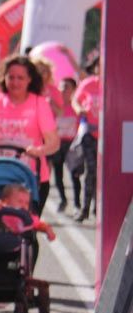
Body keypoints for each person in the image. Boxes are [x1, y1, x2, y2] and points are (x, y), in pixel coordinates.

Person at [0, 54, 59, 217]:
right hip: (0, 174)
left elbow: (53, 142)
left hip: (31, 177)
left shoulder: (39, 103)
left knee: (26, 225)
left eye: (20, 78)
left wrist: (39, 150)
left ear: (29, 79)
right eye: (11, 77)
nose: (15, 82)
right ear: (4, 78)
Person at [72, 54, 101, 222]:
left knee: (104, 174)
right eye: (99, 64)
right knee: (91, 171)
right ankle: (85, 209)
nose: (101, 67)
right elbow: (76, 99)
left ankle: (100, 208)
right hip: (90, 134)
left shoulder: (113, 81)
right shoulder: (88, 83)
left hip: (108, 137)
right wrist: (79, 109)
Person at [49, 76, 80, 213]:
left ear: (73, 90)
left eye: (66, 87)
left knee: (75, 174)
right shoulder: (53, 106)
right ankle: (63, 200)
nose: (62, 90)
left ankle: (77, 204)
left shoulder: (77, 107)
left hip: (72, 144)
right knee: (58, 174)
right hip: (58, 143)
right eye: (60, 86)